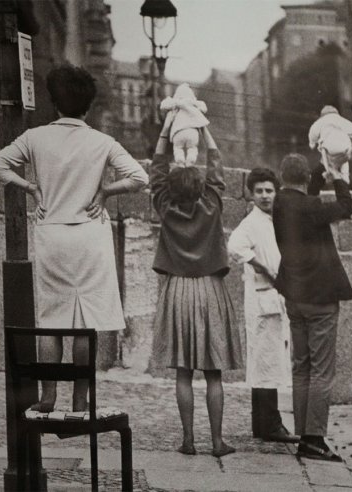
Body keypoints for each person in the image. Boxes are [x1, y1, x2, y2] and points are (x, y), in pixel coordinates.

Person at [0, 64, 149, 413]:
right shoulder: (103, 142)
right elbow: (139, 177)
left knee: (52, 319)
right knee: (84, 324)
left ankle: (48, 396)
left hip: (52, 234)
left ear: (54, 102)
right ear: (88, 106)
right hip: (90, 235)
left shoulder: (35, 137)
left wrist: (31, 188)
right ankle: (80, 397)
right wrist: (105, 191)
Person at [150, 118, 243, 458]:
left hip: (177, 290)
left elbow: (156, 172)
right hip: (210, 289)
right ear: (202, 187)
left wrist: (166, 129)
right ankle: (217, 442)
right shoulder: (212, 205)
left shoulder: (165, 206)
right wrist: (203, 128)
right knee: (213, 374)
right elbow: (217, 168)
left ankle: (188, 440)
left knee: (184, 373)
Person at [272, 154, 352, 462]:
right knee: (322, 370)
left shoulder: (280, 203)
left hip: (294, 297)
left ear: (281, 177)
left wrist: (323, 166)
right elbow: (346, 206)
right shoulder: (311, 208)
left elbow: (309, 193)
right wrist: (339, 177)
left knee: (301, 367)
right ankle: (315, 439)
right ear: (305, 178)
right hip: (320, 299)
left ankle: (304, 434)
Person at [228, 168, 299, 443]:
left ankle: (262, 423)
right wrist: (262, 266)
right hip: (262, 297)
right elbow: (235, 247)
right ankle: (270, 424)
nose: (265, 196)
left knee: (267, 360)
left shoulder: (275, 219)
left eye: (269, 190)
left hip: (274, 296)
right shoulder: (251, 223)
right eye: (259, 191)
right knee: (265, 360)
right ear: (251, 194)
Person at [308, 105, 352, 184]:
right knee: (344, 161)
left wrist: (312, 143)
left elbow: (313, 132)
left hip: (329, 150)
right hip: (345, 149)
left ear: (322, 115)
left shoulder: (321, 121)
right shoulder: (342, 120)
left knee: (327, 159)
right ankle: (345, 175)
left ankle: (330, 172)